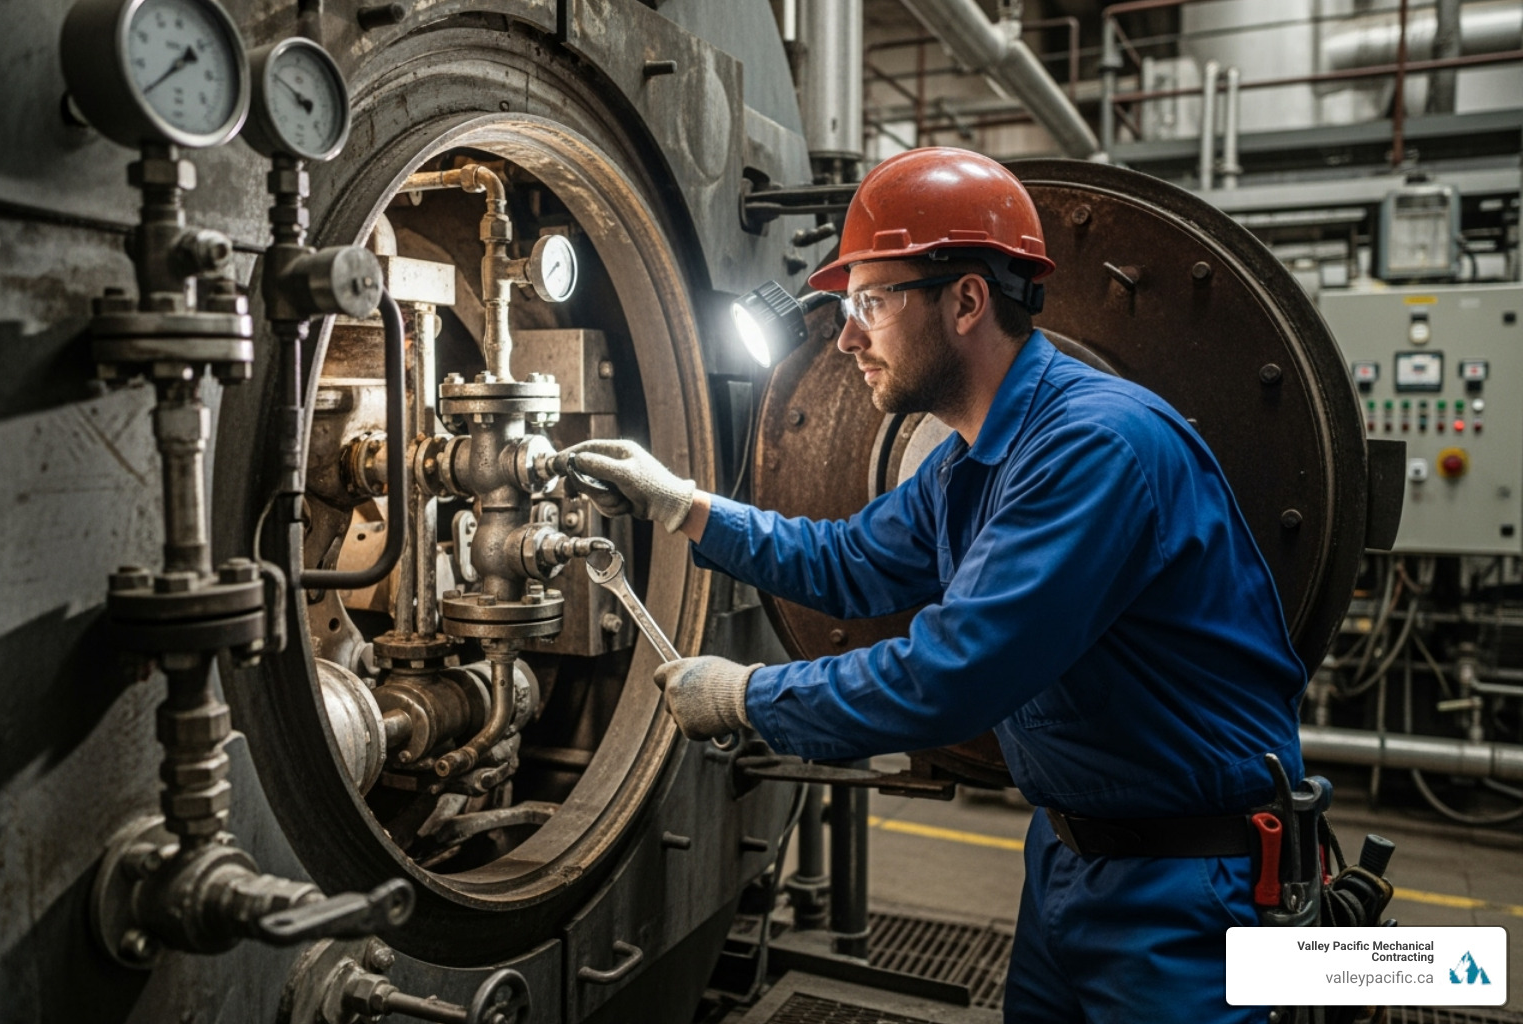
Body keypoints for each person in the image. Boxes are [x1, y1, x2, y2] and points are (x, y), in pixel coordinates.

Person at [559, 147, 1305, 1024]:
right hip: (1072, 857)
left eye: (870, 302)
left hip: (1190, 888)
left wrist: (749, 698)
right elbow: (847, 562)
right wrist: (685, 507)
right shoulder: (970, 462)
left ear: (966, 301)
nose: (845, 338)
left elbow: (954, 674)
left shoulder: (1094, 449)